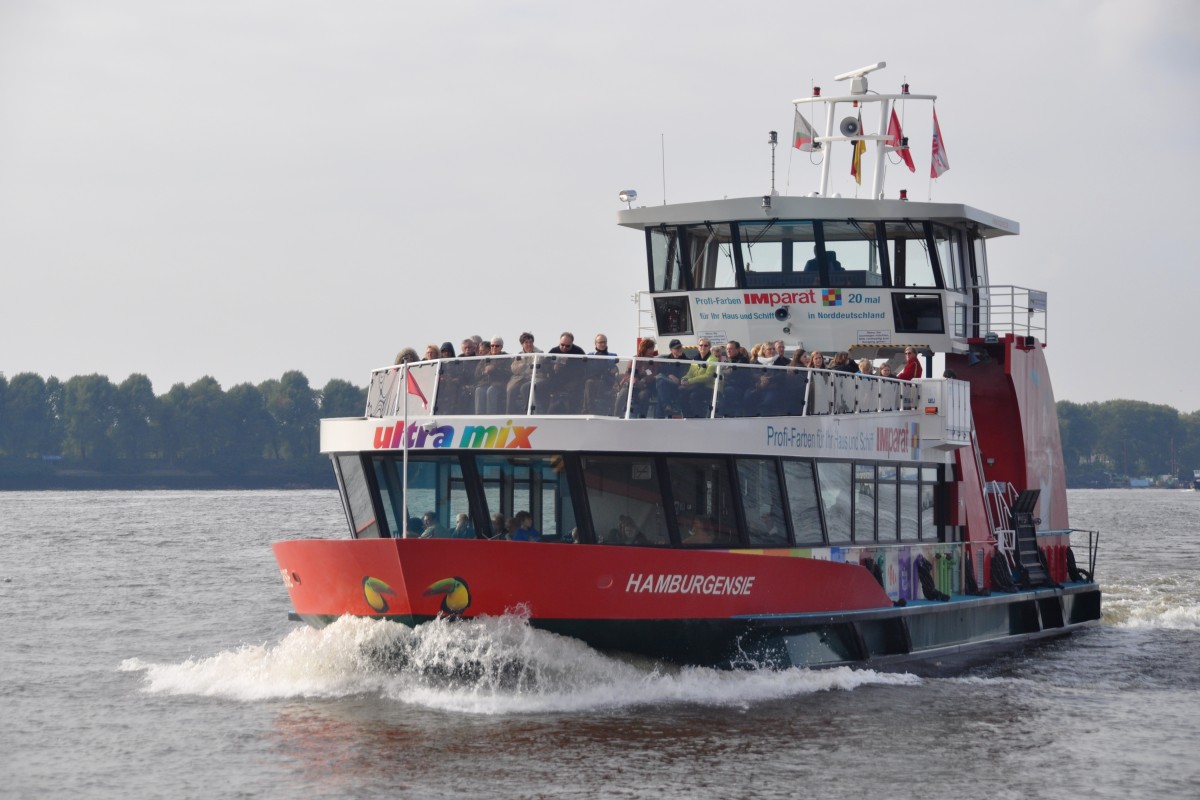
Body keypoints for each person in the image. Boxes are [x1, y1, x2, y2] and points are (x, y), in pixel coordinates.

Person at [677, 338, 718, 417]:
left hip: (709, 387)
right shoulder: (695, 359)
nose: (703, 347)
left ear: (709, 347)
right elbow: (690, 373)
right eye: (701, 345)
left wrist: (689, 381)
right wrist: (684, 378)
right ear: (698, 347)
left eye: (705, 345)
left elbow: (707, 377)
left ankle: (699, 418)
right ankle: (688, 417)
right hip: (696, 385)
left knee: (694, 396)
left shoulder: (713, 359)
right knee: (681, 396)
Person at [617, 337, 659, 417]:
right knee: (623, 393)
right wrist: (635, 381)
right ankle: (617, 416)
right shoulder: (634, 359)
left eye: (652, 348)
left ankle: (642, 417)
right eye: (650, 348)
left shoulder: (654, 362)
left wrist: (644, 380)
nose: (652, 351)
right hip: (632, 385)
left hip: (645, 386)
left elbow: (654, 374)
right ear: (644, 348)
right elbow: (628, 374)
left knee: (644, 395)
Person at [655, 338, 693, 417]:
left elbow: (689, 374)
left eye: (680, 347)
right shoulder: (664, 361)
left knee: (661, 395)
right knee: (661, 383)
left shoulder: (688, 361)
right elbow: (660, 371)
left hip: (681, 387)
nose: (679, 349)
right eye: (676, 348)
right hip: (668, 387)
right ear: (671, 350)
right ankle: (666, 409)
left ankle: (662, 414)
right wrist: (669, 375)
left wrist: (681, 382)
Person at [584, 333, 619, 414]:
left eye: (604, 342)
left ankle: (589, 410)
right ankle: (587, 410)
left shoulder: (612, 355)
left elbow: (610, 364)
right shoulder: (590, 355)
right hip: (594, 381)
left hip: (607, 382)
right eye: (600, 342)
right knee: (588, 383)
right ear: (595, 343)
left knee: (589, 383)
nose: (603, 344)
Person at [506, 332, 541, 413]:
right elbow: (514, 368)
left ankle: (528, 413)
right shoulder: (519, 355)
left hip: (533, 378)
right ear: (522, 344)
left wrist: (523, 366)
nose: (529, 344)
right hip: (520, 378)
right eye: (526, 342)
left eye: (531, 342)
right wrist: (525, 364)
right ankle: (509, 414)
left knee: (524, 388)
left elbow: (536, 366)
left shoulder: (538, 353)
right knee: (511, 390)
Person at [474, 336, 509, 414]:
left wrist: (494, 369)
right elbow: (476, 374)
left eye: (497, 346)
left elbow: (507, 373)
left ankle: (490, 416)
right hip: (485, 384)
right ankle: (479, 417)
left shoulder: (506, 357)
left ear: (501, 347)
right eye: (492, 345)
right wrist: (484, 371)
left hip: (499, 384)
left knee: (491, 391)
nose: (494, 347)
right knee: (479, 390)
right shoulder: (485, 358)